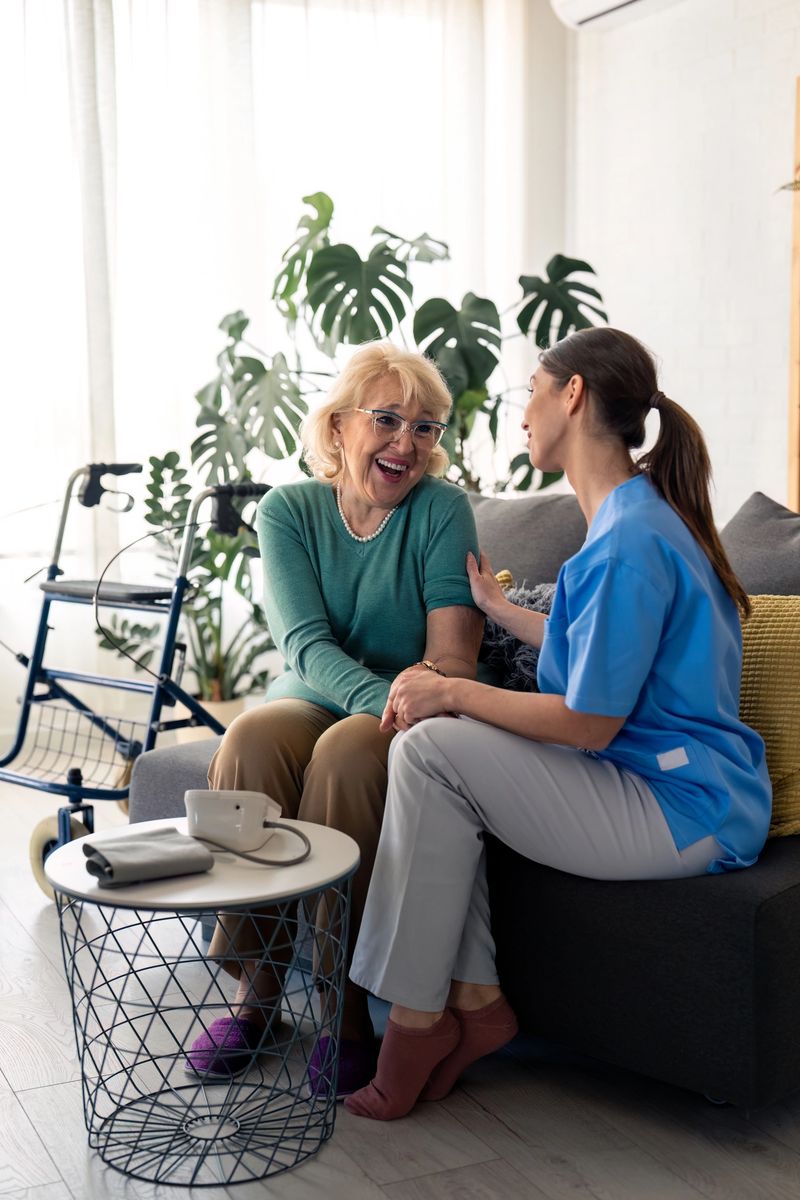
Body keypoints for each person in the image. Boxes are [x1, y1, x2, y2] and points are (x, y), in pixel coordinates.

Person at [345, 326, 772, 1121]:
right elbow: (609, 654)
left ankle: (415, 1022)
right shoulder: (631, 521)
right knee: (438, 764)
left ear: (572, 396)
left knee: (435, 746)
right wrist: (505, 613)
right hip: (667, 787)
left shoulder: (628, 542)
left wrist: (456, 693)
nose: (523, 413)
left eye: (533, 390)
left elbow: (589, 723)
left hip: (684, 809)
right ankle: (464, 1008)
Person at [185, 342, 484, 1093]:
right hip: (318, 688)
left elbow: (452, 656)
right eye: (386, 420)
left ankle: (344, 1005)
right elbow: (304, 644)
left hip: (404, 705)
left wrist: (402, 697)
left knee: (351, 754)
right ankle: (255, 994)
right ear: (339, 427)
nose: (405, 443)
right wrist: (374, 694)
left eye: (425, 428)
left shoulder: (443, 512)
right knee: (251, 737)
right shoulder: (289, 509)